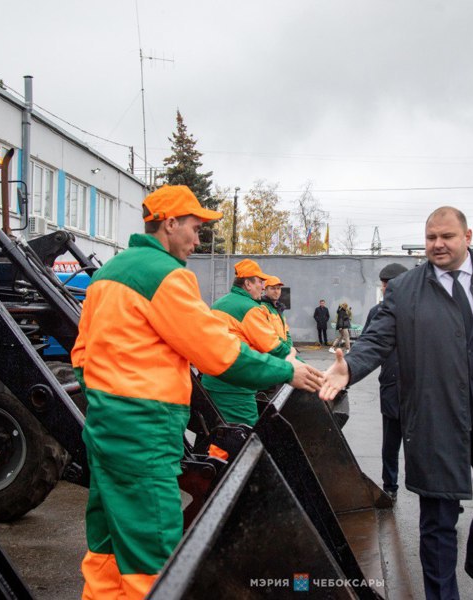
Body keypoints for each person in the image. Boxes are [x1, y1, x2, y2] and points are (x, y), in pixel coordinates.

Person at [72, 185, 323, 599]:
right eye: (194, 226)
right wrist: (286, 371)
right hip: (145, 436)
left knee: (107, 548)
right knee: (152, 558)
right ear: (169, 223)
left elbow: (81, 356)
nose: (198, 238)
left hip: (105, 430)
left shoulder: (107, 275)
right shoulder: (166, 275)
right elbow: (218, 353)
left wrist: (110, 400)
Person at [320, 206, 473, 600]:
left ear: (467, 237)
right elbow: (378, 340)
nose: (437, 244)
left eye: (446, 236)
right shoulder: (406, 289)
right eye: (431, 237)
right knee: (438, 518)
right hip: (436, 417)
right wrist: (348, 371)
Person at [201, 259, 295, 426]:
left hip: (211, 384)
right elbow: (273, 347)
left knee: (218, 433)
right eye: (260, 281)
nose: (262, 286)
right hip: (235, 387)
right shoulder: (250, 308)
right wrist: (303, 369)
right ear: (248, 284)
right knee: (243, 439)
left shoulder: (219, 304)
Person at [363, 262, 409, 503]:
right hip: (391, 387)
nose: (384, 289)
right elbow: (366, 348)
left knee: (425, 446)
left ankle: (437, 495)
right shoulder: (377, 313)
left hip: (421, 391)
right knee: (390, 444)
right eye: (382, 285)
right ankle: (389, 486)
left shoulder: (422, 309)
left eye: (387, 285)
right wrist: (347, 373)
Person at [261, 275, 291, 345]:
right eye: (273, 288)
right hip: (273, 351)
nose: (276, 291)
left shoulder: (279, 309)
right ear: (265, 290)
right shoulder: (263, 308)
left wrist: (290, 346)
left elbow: (286, 331)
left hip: (282, 351)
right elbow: (268, 334)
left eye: (278, 288)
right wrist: (286, 348)